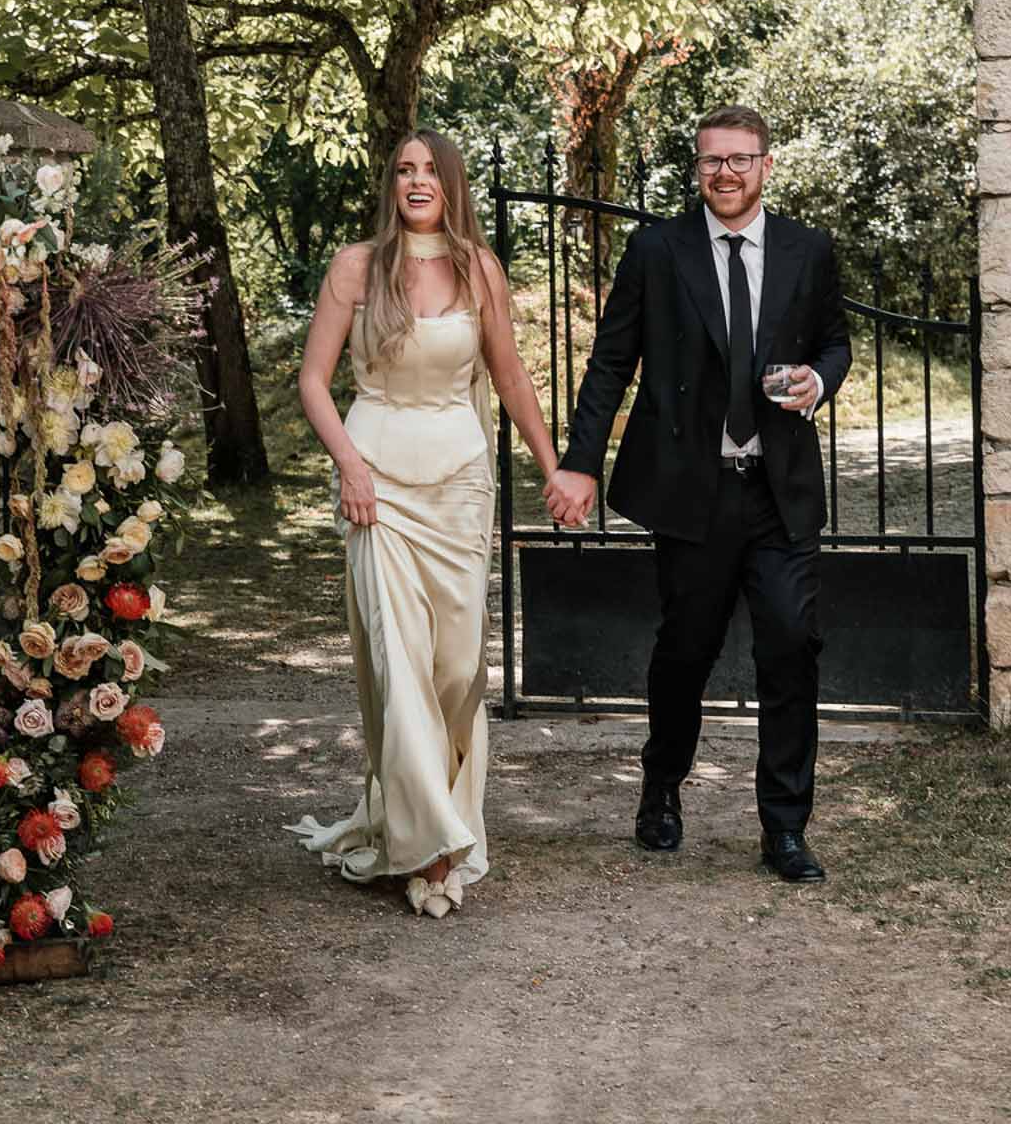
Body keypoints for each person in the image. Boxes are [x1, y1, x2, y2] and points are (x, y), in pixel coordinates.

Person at [544, 105, 851, 882]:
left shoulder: (807, 250)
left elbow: (834, 340)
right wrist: (580, 461)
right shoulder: (656, 249)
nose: (726, 173)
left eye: (741, 159)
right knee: (684, 652)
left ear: (765, 166)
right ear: (697, 168)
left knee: (791, 645)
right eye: (712, 160)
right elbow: (611, 362)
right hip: (691, 492)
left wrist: (820, 379)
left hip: (777, 489)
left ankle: (784, 828)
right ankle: (660, 787)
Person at [289, 129, 568, 918]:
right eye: (403, 170)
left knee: (454, 670)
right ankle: (432, 842)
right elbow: (313, 381)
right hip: (377, 483)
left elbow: (508, 375)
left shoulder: (480, 266)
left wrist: (551, 470)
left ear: (450, 183)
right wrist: (349, 467)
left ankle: (435, 812)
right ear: (392, 185)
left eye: (428, 171)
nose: (415, 182)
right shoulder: (355, 266)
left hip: (458, 485)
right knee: (397, 662)